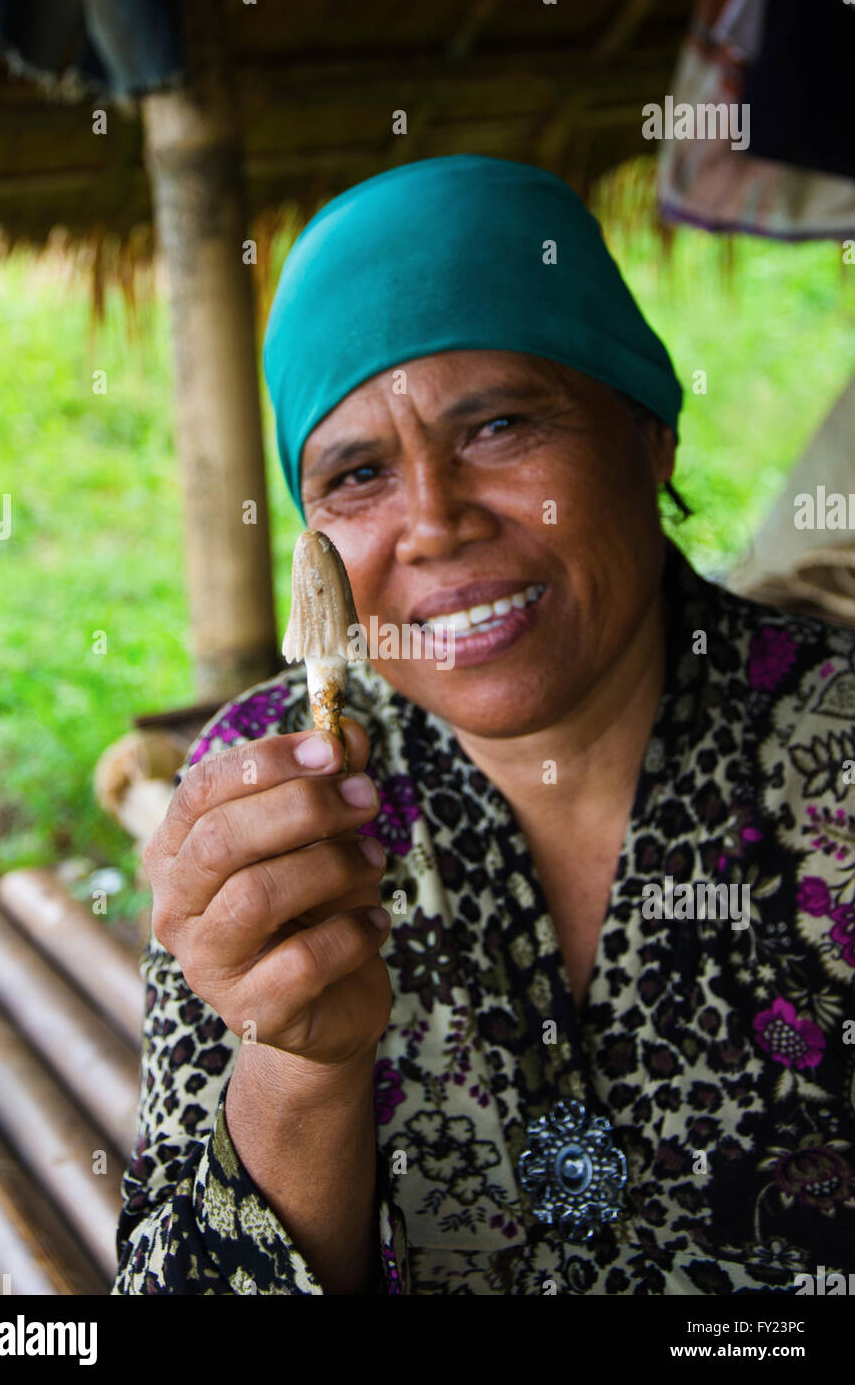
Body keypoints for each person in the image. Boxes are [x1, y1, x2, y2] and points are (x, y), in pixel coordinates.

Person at [113, 155, 855, 1296]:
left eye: (501, 424)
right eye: (357, 474)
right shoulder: (268, 792)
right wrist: (301, 1069)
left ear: (648, 435)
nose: (435, 523)